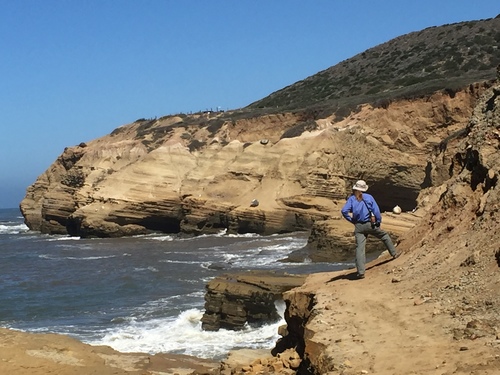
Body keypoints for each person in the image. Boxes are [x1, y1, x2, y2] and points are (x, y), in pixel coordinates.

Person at [341, 180, 400, 279]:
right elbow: (376, 211)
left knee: (360, 249)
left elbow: (344, 211)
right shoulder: (369, 197)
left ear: (355, 188)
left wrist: (352, 221)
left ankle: (361, 272)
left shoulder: (351, 199)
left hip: (358, 226)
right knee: (384, 236)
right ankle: (394, 254)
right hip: (370, 224)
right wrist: (378, 221)